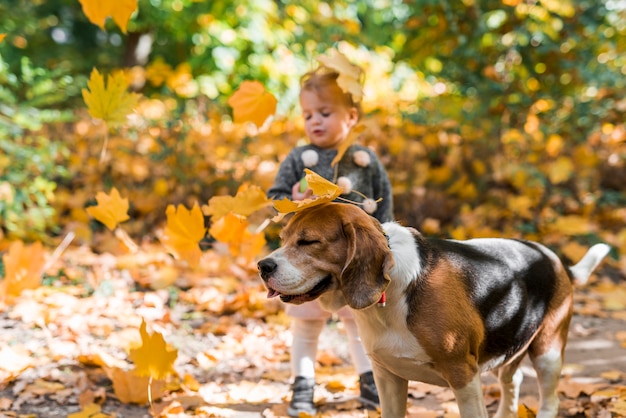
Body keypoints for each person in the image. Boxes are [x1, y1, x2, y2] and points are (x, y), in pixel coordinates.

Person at [267, 55, 393, 416]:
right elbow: (273, 201)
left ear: (350, 117)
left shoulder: (364, 158)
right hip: (306, 263)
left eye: (324, 112)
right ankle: (302, 386)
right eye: (308, 115)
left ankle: (371, 382)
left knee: (361, 326)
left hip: (354, 265)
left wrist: (385, 245)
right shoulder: (297, 158)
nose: (314, 121)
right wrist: (290, 200)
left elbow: (383, 212)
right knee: (306, 328)